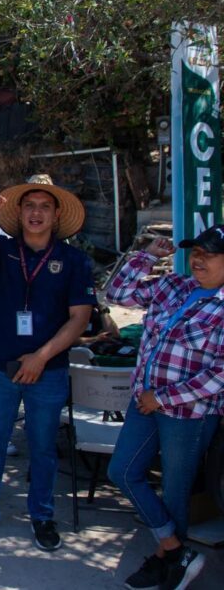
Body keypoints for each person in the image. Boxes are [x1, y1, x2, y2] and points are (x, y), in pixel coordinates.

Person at [0, 175, 94, 552]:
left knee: (43, 447)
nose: (37, 213)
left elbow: (80, 319)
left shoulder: (74, 260)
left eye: (45, 207)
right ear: (19, 213)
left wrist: (40, 357)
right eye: (30, 206)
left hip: (48, 370)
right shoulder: (4, 249)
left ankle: (42, 515)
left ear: (56, 215)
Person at [105, 231, 224, 590]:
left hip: (188, 414)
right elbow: (117, 294)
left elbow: (219, 374)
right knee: (122, 471)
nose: (198, 260)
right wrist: (147, 256)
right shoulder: (175, 286)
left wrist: (163, 398)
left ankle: (165, 562)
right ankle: (175, 551)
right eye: (196, 252)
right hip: (144, 403)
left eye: (209, 254)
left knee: (175, 491)